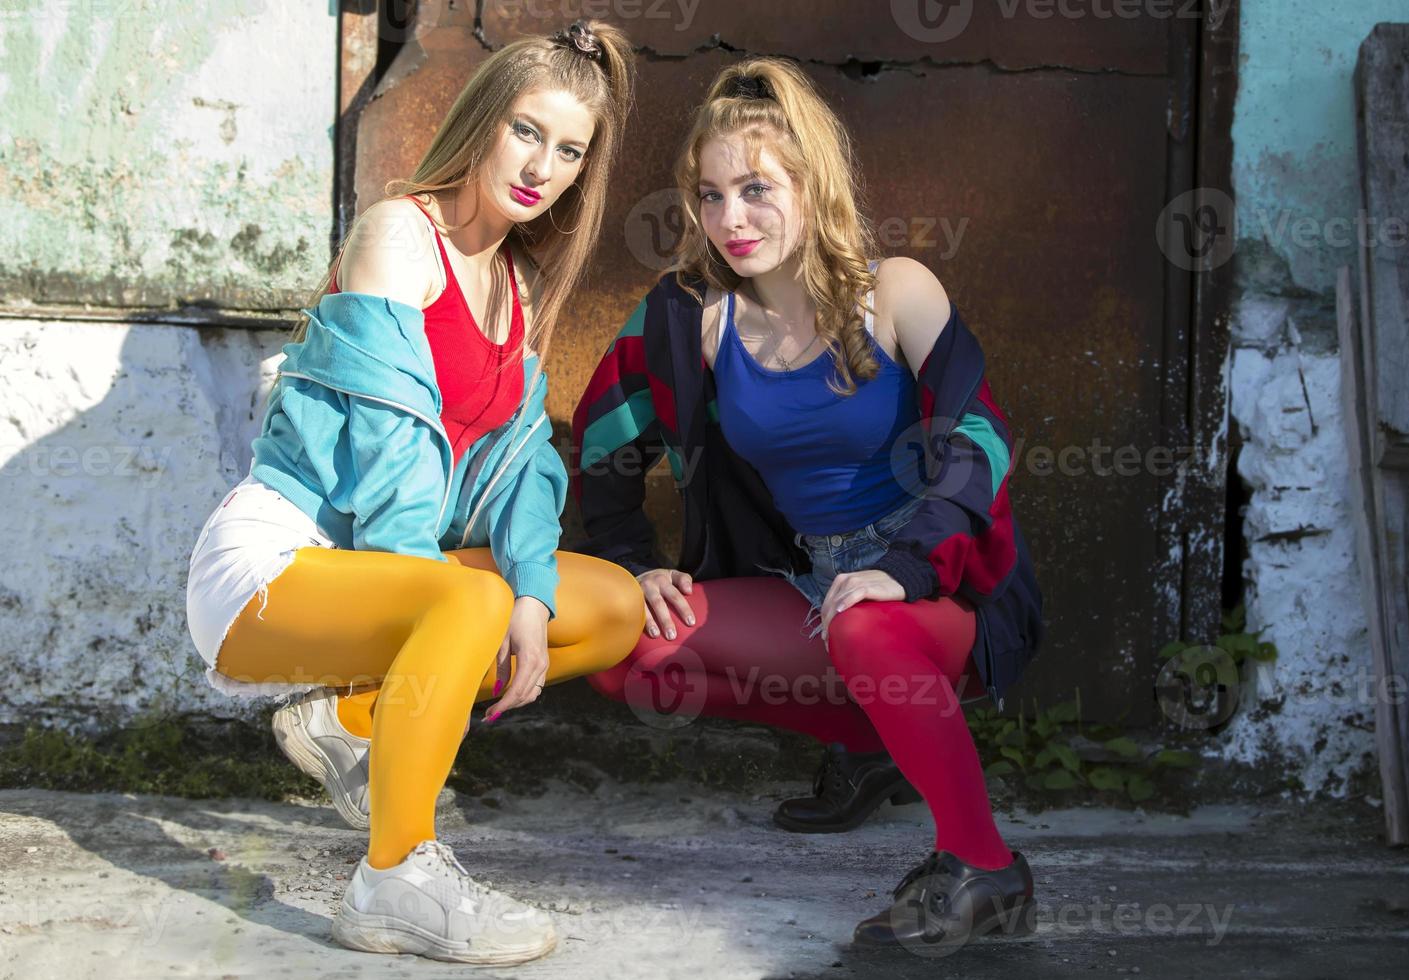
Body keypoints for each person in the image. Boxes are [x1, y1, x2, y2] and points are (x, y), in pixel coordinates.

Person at [184, 20, 644, 966]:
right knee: (471, 598)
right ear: (482, 119)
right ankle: (395, 876)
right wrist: (467, 602)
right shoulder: (401, 234)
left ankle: (347, 722)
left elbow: (522, 469)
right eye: (526, 131)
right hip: (273, 567)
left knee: (606, 609)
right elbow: (394, 461)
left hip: (389, 576)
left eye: (569, 151)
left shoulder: (514, 284)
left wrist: (527, 592)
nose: (541, 167)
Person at [570, 57, 1045, 949]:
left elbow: (978, 446)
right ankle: (877, 739)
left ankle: (986, 867)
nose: (730, 219)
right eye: (709, 196)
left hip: (940, 590)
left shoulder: (896, 290)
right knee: (634, 653)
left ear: (811, 183)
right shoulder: (691, 317)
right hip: (816, 584)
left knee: (868, 629)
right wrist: (637, 558)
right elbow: (604, 436)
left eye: (756, 188)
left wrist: (902, 572)